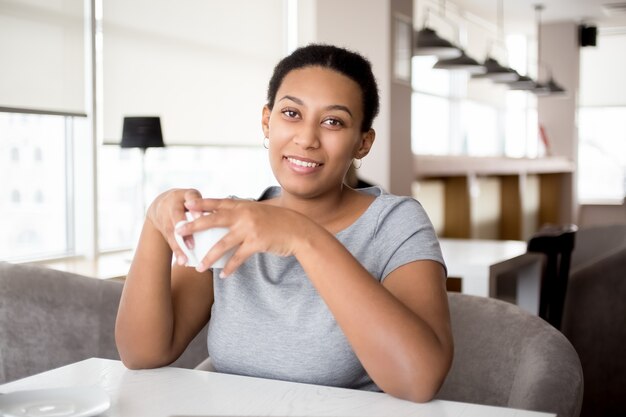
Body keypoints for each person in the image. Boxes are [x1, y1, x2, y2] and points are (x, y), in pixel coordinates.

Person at [115, 44, 453, 403]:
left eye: (333, 121)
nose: (306, 139)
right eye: (291, 113)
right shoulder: (232, 222)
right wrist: (155, 222)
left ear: (363, 143)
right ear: (267, 121)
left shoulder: (395, 223)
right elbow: (142, 354)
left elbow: (419, 380)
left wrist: (302, 237)